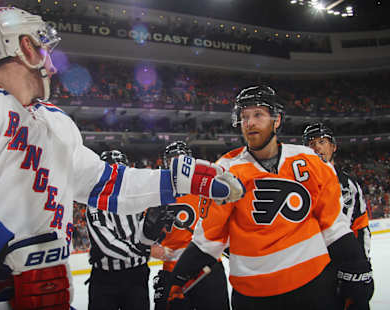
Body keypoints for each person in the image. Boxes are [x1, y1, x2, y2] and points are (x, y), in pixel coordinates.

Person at [0, 7, 243, 309]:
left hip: (47, 295)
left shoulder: (55, 123)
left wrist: (177, 180)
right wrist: (11, 253)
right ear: (25, 47)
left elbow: (107, 184)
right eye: (45, 49)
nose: (53, 65)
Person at [164, 86, 373, 310]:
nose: (250, 122)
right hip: (253, 297)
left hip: (315, 287)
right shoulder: (225, 170)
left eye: (258, 115)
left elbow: (333, 226)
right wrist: (177, 280)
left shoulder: (310, 160)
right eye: (244, 117)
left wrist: (356, 264)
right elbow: (209, 240)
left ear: (276, 120)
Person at [139, 141, 230, 310]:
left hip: (207, 267)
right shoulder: (156, 192)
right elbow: (144, 235)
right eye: (172, 160)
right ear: (165, 163)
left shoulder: (206, 186)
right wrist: (151, 248)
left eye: (180, 160)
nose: (176, 165)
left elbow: (223, 222)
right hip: (173, 269)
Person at [86, 150, 151, 310]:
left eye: (120, 171)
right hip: (106, 278)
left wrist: (153, 233)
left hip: (136, 275)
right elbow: (106, 244)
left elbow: (144, 230)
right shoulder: (94, 201)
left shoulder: (138, 196)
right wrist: (142, 251)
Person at [302, 123, 371, 260]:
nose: (317, 147)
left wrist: (363, 261)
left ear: (333, 146)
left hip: (345, 261)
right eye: (311, 144)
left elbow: (360, 225)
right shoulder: (297, 184)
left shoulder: (351, 185)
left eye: (322, 141)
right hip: (311, 265)